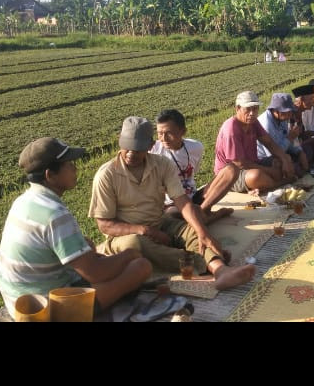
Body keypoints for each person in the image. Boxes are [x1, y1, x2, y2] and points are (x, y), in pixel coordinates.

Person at [90, 117, 256, 291]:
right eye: (127, 148)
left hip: (160, 222)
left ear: (150, 146)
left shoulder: (162, 164)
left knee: (193, 229)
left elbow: (183, 202)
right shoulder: (107, 175)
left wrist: (202, 232)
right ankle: (204, 262)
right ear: (119, 142)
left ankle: (220, 270)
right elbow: (105, 225)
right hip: (125, 236)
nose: (131, 154)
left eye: (137, 149)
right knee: (136, 245)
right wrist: (144, 230)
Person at [0, 136, 152, 320]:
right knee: (141, 266)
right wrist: (128, 254)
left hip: (16, 300)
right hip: (45, 309)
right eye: (68, 164)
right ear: (50, 175)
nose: (74, 168)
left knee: (96, 253)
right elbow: (96, 273)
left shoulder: (24, 201)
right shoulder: (54, 213)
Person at [151, 109, 234, 220]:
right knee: (171, 216)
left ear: (183, 131)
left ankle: (201, 211)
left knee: (231, 170)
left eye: (169, 133)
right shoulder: (153, 151)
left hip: (194, 197)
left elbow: (194, 171)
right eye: (160, 133)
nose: (164, 138)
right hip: (172, 204)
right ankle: (208, 216)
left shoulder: (196, 147)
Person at [213, 90, 297, 195]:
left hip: (253, 163)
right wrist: (269, 171)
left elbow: (269, 143)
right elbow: (240, 164)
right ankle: (278, 183)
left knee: (285, 159)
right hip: (230, 175)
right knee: (256, 176)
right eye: (248, 109)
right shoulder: (231, 129)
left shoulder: (253, 122)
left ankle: (265, 184)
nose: (252, 113)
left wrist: (284, 160)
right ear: (238, 108)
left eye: (255, 109)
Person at [257, 92, 309, 178]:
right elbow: (273, 153)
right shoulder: (266, 124)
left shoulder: (283, 119)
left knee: (305, 151)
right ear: (275, 111)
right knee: (286, 162)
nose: (290, 115)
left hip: (282, 151)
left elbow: (288, 138)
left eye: (290, 112)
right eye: (287, 112)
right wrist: (290, 138)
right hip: (266, 158)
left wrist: (299, 151)